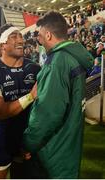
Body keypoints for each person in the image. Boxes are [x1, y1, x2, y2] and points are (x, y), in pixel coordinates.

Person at [23, 11, 93, 179]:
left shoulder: (57, 62)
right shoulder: (73, 56)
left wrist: (28, 143)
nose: (38, 40)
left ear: (48, 34)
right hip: (69, 146)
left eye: (39, 35)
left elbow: (47, 114)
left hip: (53, 152)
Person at [0, 23, 40, 179]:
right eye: (14, 37)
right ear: (2, 45)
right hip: (2, 137)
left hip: (28, 137)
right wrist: (30, 96)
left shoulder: (35, 68)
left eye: (20, 36)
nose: (20, 40)